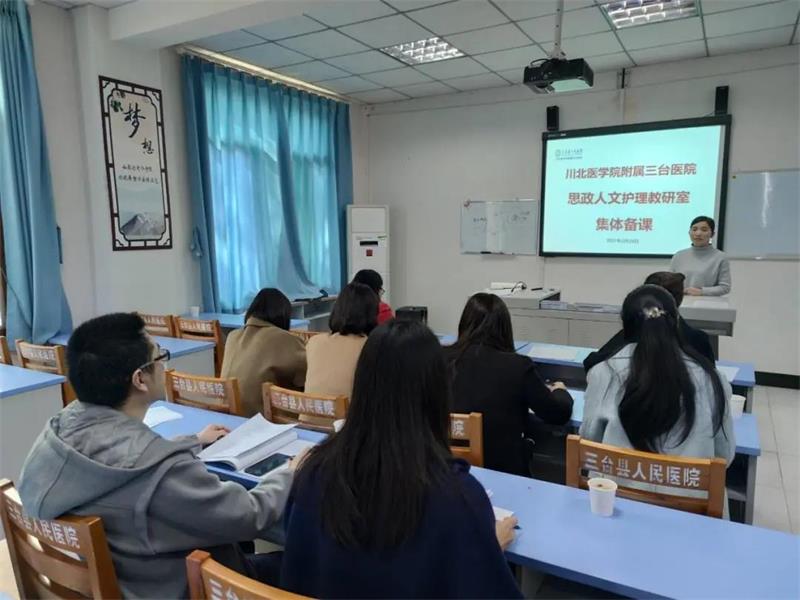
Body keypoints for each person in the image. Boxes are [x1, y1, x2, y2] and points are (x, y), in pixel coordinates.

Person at [18, 313, 300, 598]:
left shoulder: (58, 433)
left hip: (130, 582)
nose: (164, 364)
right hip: (184, 587)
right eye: (159, 357)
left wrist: (192, 441)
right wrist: (289, 472)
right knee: (300, 563)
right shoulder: (164, 473)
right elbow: (250, 515)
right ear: (140, 379)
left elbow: (127, 456)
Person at [281, 320, 522, 599]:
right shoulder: (458, 498)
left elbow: (296, 570)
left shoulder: (313, 472)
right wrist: (489, 548)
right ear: (439, 394)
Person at [580, 285, 734, 471]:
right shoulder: (711, 377)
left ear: (625, 325)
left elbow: (590, 442)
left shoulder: (604, 372)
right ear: (676, 322)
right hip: (689, 486)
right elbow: (724, 456)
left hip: (617, 485)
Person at [446, 293, 573, 476]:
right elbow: (558, 414)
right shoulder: (518, 366)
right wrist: (560, 391)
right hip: (503, 471)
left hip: (448, 467)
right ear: (505, 328)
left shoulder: (440, 359)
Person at [584, 271, 715, 372]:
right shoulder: (698, 339)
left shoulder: (630, 334)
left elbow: (592, 363)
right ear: (679, 299)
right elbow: (711, 376)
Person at [221, 288, 306, 416]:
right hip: (263, 417)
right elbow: (308, 375)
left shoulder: (232, 336)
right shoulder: (284, 338)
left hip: (228, 413)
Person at [304, 282, 377, 398]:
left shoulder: (314, 341)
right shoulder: (369, 347)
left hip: (311, 408)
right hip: (349, 410)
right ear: (372, 314)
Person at [670, 215, 731, 296]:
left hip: (709, 302)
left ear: (712, 234)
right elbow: (670, 283)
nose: (698, 233)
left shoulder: (720, 257)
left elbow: (725, 287)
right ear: (689, 232)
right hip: (681, 301)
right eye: (694, 229)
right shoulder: (679, 255)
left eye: (704, 230)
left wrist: (702, 292)